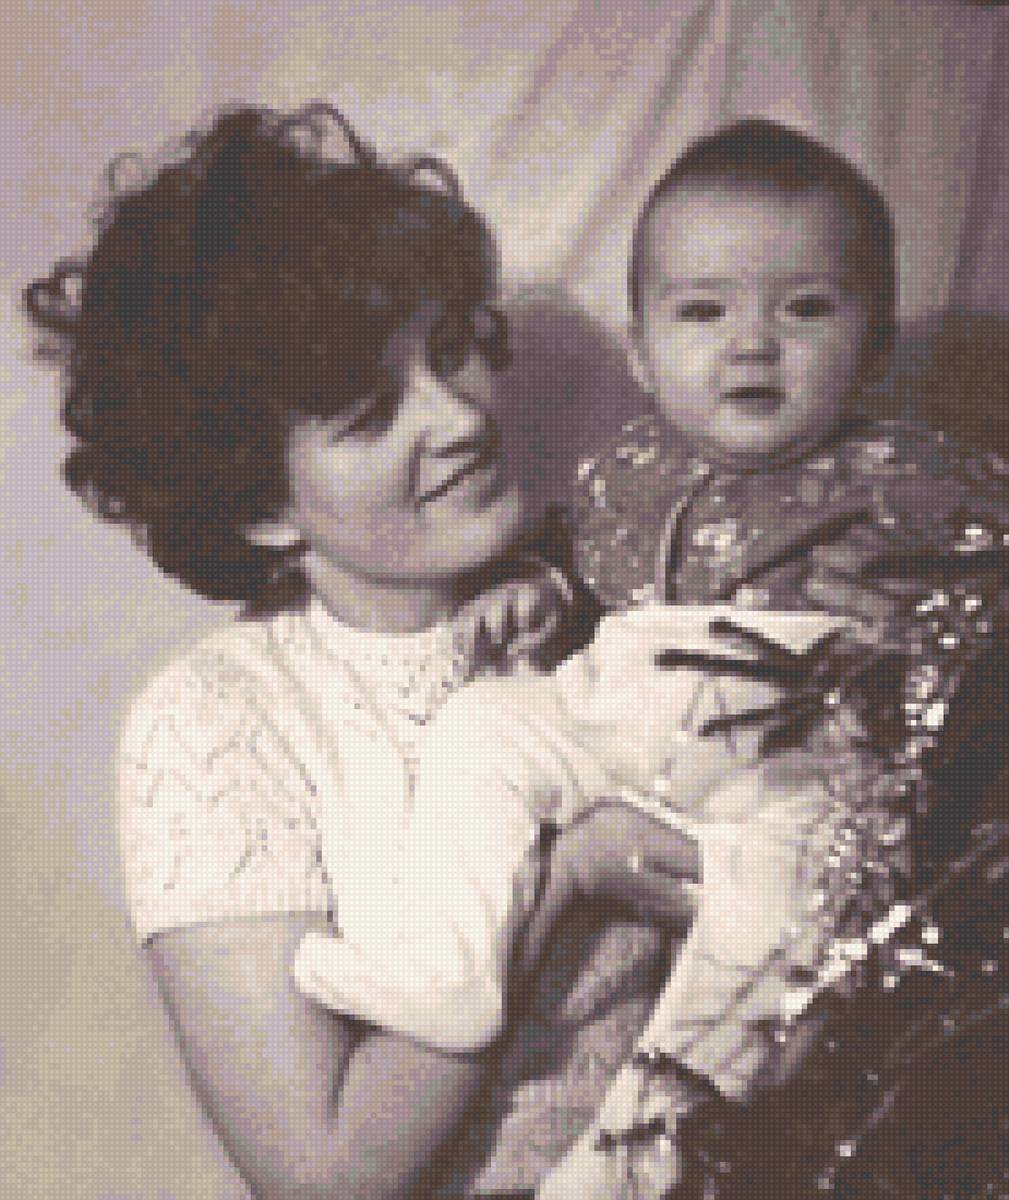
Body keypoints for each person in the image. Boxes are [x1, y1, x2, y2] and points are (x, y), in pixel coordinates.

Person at [286, 119, 1009, 1199]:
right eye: (702, 311)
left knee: (781, 922)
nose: (751, 344)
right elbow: (570, 565)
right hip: (621, 704)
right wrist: (538, 593)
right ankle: (438, 975)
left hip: (790, 759)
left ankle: (639, 1156)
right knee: (483, 726)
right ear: (641, 352)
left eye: (805, 309)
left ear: (872, 346)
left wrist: (942, 632)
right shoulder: (618, 468)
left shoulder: (919, 480)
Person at [23, 103, 702, 1200]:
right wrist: (567, 879)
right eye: (370, 412)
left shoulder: (620, 578)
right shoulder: (217, 722)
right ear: (259, 507)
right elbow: (321, 1177)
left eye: (450, 355)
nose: (458, 419)